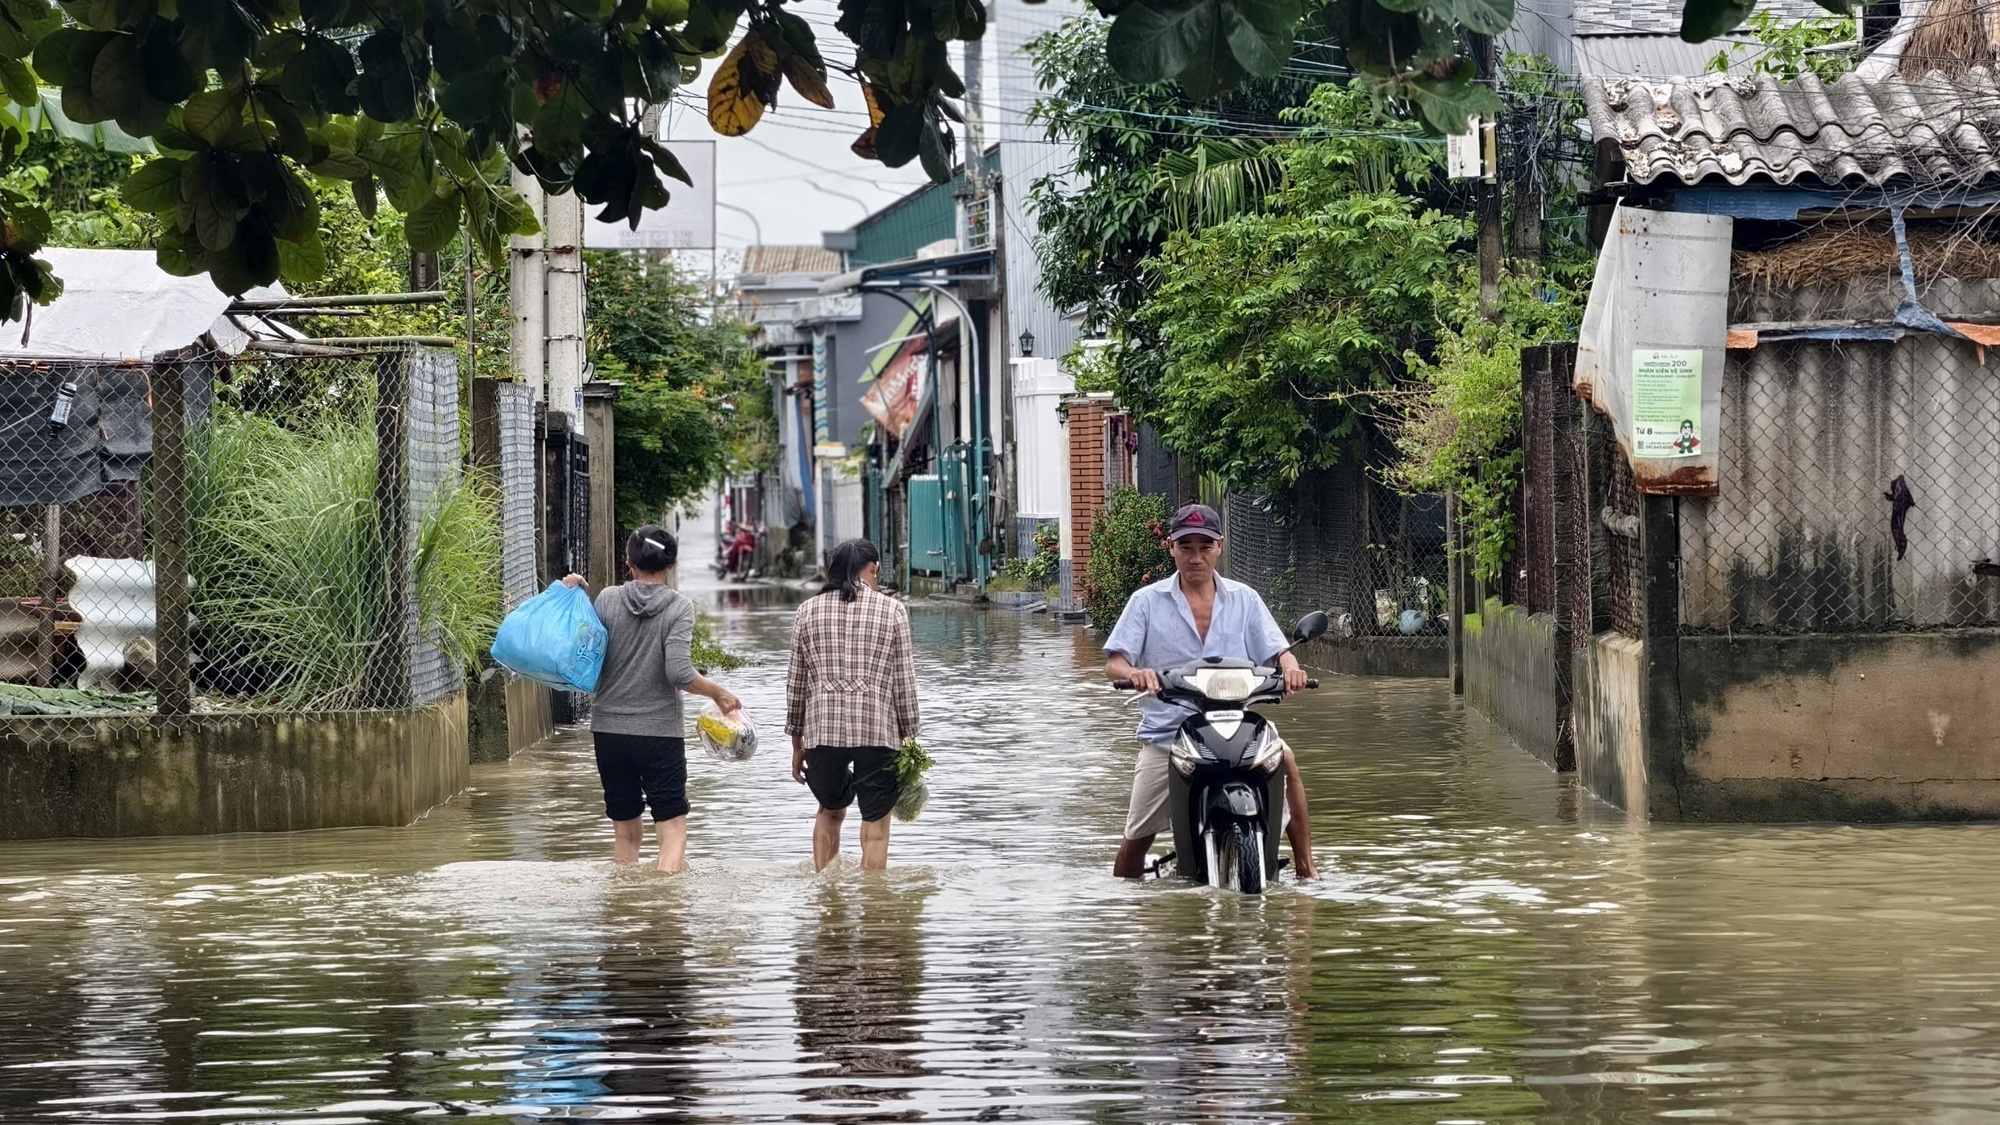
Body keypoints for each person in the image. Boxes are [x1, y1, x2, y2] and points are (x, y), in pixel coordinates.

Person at [1103, 503, 1319, 880]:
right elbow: (1114, 664)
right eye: (1186, 547)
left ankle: (1306, 868)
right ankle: (1127, 903)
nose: (1196, 557)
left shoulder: (1245, 599)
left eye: (1205, 547)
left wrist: (1291, 668)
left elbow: (1279, 651)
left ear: (1220, 546)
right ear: (1171, 548)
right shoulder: (1146, 602)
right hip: (1168, 735)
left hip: (1238, 727)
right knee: (1136, 839)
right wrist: (1135, 674)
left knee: (1285, 759)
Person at [564, 525, 740, 873]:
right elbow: (680, 673)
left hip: (610, 732)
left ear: (628, 562)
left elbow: (585, 651)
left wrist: (576, 596)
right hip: (659, 734)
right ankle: (664, 903)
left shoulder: (607, 599)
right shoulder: (679, 607)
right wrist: (719, 693)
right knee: (671, 827)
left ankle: (626, 901)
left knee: (625, 831)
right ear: (670, 565)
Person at [786, 539, 920, 872]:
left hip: (822, 732)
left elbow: (796, 683)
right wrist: (910, 737)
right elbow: (904, 681)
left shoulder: (807, 611)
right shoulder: (893, 610)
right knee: (876, 826)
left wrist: (797, 743)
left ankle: (826, 892)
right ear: (874, 568)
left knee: (829, 811)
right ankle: (874, 898)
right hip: (878, 731)